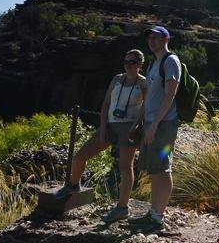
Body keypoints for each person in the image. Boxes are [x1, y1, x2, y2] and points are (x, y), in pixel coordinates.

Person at [54, 48, 147, 223]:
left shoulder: (143, 83)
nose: (128, 65)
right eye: (126, 62)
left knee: (125, 168)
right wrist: (103, 128)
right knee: (80, 157)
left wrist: (136, 126)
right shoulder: (117, 79)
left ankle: (122, 208)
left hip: (128, 129)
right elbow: (105, 105)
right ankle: (73, 185)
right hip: (110, 125)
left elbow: (146, 107)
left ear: (140, 64)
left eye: (132, 62)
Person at [129, 25, 181, 232]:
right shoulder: (153, 64)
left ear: (166, 39)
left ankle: (157, 218)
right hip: (152, 123)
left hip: (164, 124)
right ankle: (153, 213)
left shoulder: (171, 61)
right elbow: (148, 98)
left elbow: (170, 95)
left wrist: (155, 125)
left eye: (157, 37)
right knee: (156, 170)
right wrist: (139, 122)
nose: (152, 40)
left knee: (163, 167)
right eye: (149, 37)